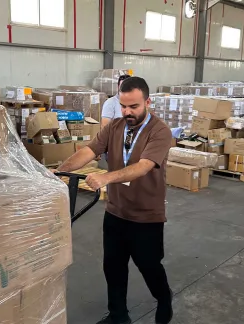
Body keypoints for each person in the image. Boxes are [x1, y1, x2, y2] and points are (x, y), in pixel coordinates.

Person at [54, 77, 173, 324]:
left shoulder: (159, 131)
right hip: (116, 213)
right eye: (123, 106)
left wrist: (105, 178)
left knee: (150, 267)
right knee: (114, 268)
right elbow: (88, 152)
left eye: (134, 106)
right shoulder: (115, 127)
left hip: (145, 216)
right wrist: (58, 173)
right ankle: (118, 315)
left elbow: (143, 166)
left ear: (147, 102)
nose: (127, 112)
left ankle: (164, 300)